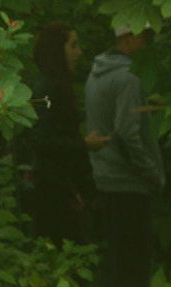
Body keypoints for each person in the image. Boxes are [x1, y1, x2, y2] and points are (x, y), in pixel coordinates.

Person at [86, 21, 164, 287]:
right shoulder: (129, 77)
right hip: (128, 182)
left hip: (105, 176)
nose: (148, 44)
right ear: (127, 38)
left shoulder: (97, 73)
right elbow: (129, 135)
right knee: (134, 262)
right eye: (145, 37)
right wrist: (152, 173)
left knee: (118, 255)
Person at [26, 22, 107, 245]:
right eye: (73, 46)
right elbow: (42, 141)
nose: (79, 52)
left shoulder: (54, 85)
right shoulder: (47, 88)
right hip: (52, 191)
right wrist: (84, 145)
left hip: (61, 186)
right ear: (57, 50)